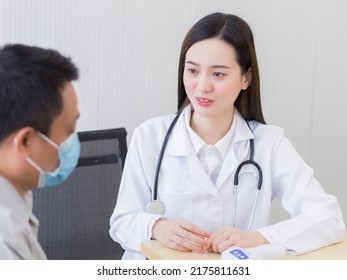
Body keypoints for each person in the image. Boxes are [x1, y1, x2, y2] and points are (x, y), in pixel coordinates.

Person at [109, 12, 345, 260]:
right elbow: (121, 223)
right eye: (192, 71)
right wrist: (157, 228)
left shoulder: (269, 143)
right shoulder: (150, 136)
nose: (202, 86)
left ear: (246, 78)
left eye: (218, 74)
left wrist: (256, 238)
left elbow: (329, 219)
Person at [0, 44, 80, 259]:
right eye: (68, 131)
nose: (72, 145)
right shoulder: (6, 243)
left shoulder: (16, 200)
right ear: (25, 141)